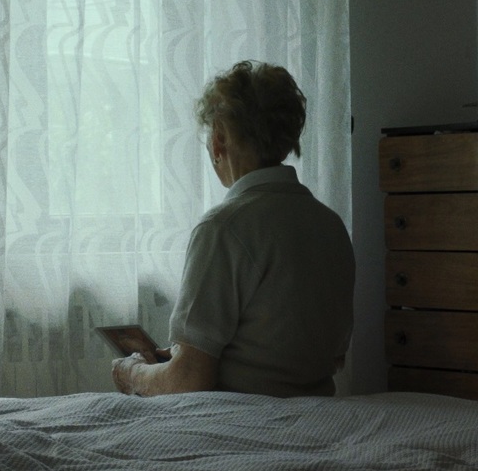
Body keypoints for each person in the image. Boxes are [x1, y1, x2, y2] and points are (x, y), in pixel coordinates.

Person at [112, 60, 354, 398]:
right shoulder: (331, 225)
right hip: (317, 415)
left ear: (219, 138)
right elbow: (330, 356)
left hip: (241, 420)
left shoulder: (223, 228)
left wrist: (133, 374)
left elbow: (190, 381)